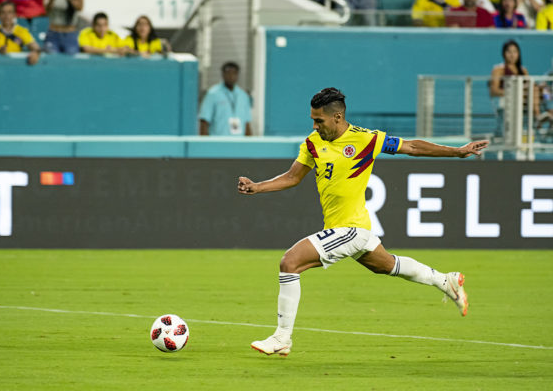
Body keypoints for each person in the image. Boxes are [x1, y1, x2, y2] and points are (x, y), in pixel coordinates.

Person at [238, 87, 488, 356]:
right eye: (312, 119)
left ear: (337, 117)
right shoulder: (312, 143)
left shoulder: (366, 139)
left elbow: (412, 146)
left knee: (290, 262)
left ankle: (282, 338)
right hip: (344, 229)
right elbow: (292, 177)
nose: (314, 125)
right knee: (388, 265)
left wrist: (457, 152)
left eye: (319, 120)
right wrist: (257, 187)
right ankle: (445, 280)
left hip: (352, 229)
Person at [199, 62, 252, 136]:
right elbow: (204, 121)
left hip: (238, 142)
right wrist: (204, 144)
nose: (231, 76)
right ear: (223, 74)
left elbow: (247, 123)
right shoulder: (213, 94)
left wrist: (249, 144)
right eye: (228, 73)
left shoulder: (243, 96)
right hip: (218, 142)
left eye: (234, 73)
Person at [0, 1, 40, 65]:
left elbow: (36, 47)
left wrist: (35, 53)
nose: (6, 16)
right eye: (3, 12)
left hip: (15, 66)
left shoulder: (22, 31)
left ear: (14, 15)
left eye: (9, 12)